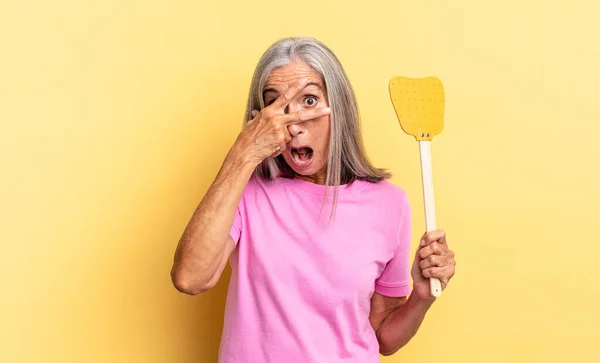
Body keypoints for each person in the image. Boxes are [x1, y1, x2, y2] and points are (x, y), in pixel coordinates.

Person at [170, 36, 456, 362]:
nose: (294, 124)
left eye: (309, 101)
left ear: (340, 109)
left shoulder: (390, 205)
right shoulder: (246, 191)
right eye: (276, 104)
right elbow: (190, 278)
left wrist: (422, 296)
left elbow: (382, 338)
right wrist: (242, 155)